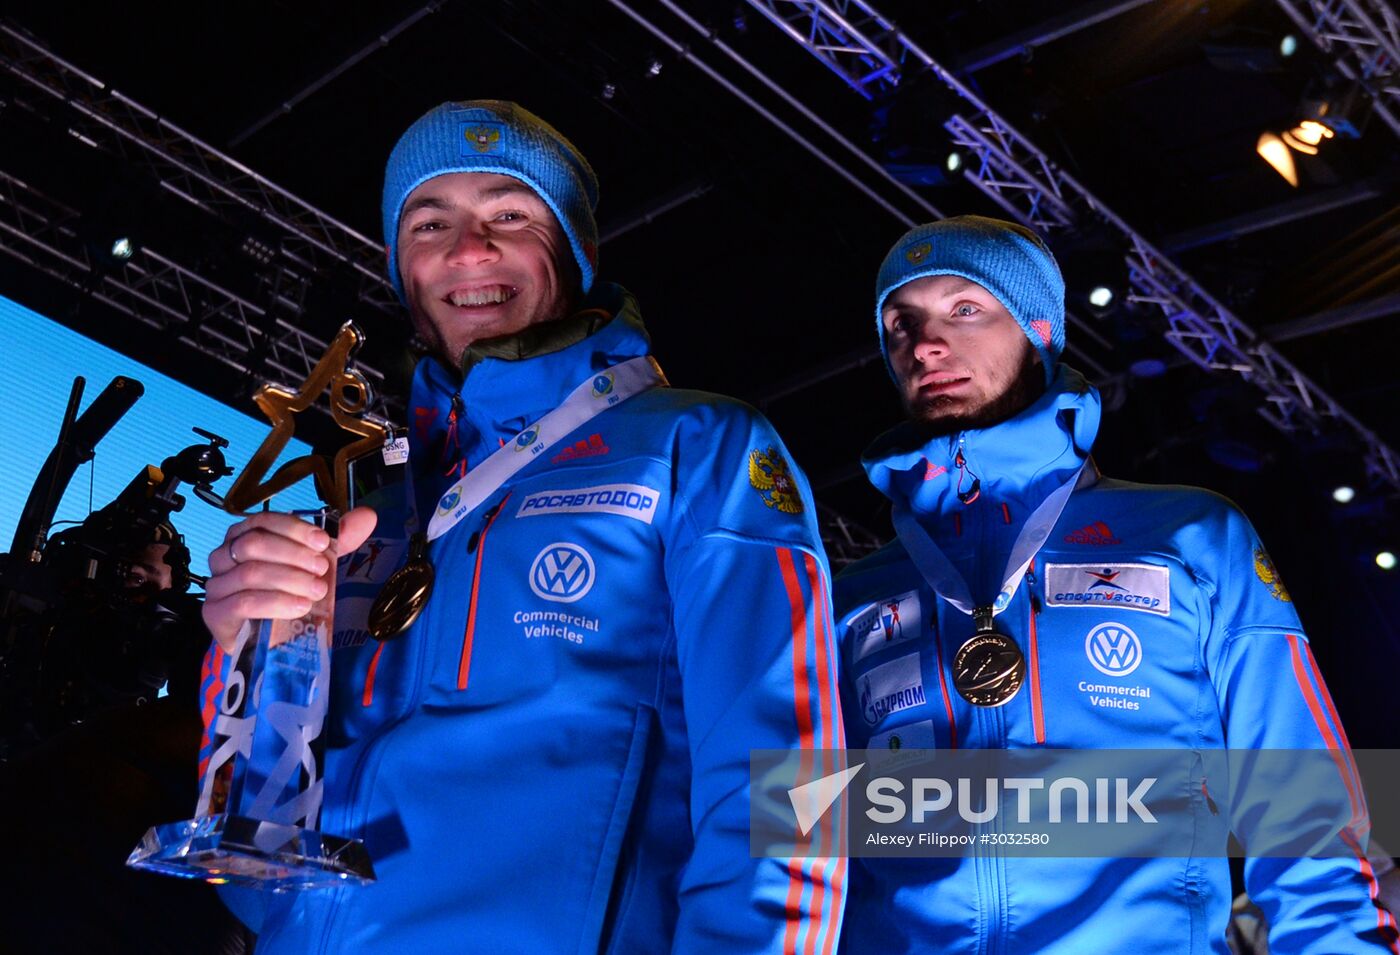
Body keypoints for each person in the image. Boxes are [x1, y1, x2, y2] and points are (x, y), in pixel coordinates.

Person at [198, 100, 844, 952]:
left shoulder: (696, 444)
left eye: (509, 213)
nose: (469, 250)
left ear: (572, 249)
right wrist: (240, 658)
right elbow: (252, 868)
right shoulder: (372, 505)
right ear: (401, 265)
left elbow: (792, 780)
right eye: (431, 222)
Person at [833, 216, 1398, 953]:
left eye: (965, 308)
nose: (926, 343)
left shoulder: (1188, 537)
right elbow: (804, 842)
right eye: (900, 323)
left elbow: (1300, 804)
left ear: (1037, 328)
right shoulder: (847, 597)